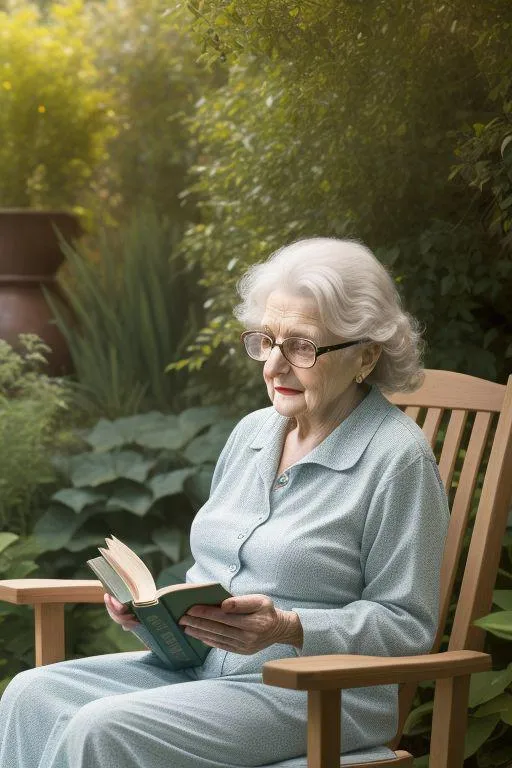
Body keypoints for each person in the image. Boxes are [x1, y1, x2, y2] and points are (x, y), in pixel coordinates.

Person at [0, 238, 449, 768]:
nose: (275, 367)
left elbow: (406, 626)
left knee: (104, 730)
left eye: (302, 347)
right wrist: (154, 613)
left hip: (312, 695)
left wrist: (288, 626)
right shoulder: (255, 432)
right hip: (200, 670)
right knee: (29, 696)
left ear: (366, 356)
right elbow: (213, 569)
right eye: (267, 341)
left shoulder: (397, 458)